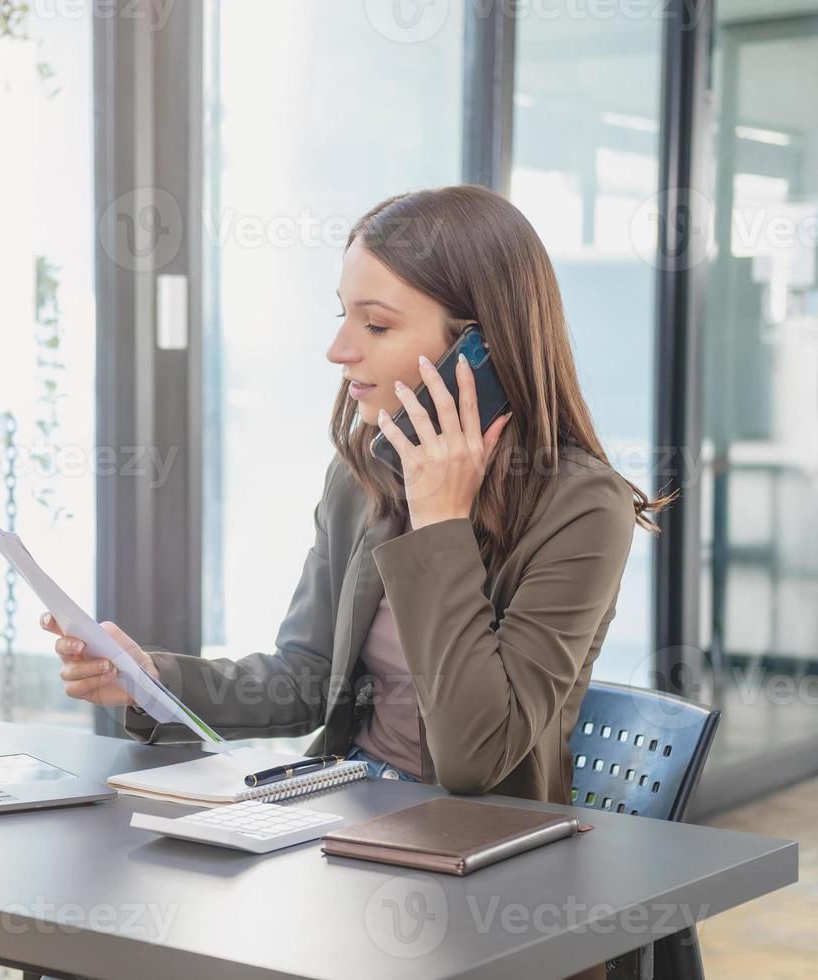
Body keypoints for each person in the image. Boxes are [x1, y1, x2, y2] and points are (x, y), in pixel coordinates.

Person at [44, 182, 673, 811]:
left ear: (476, 351)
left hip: (477, 853)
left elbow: (476, 759)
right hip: (340, 811)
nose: (339, 350)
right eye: (342, 315)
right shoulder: (362, 475)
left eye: (375, 324)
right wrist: (151, 682)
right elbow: (305, 677)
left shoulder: (582, 507)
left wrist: (439, 523)